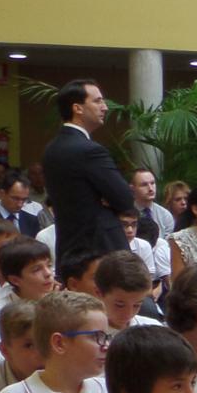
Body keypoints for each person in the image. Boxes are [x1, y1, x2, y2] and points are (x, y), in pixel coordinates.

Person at [40, 81, 136, 267]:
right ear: (78, 108)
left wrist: (101, 197)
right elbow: (125, 199)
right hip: (100, 247)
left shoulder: (51, 148)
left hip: (69, 246)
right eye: (98, 101)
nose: (105, 107)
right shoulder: (90, 150)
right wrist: (104, 198)